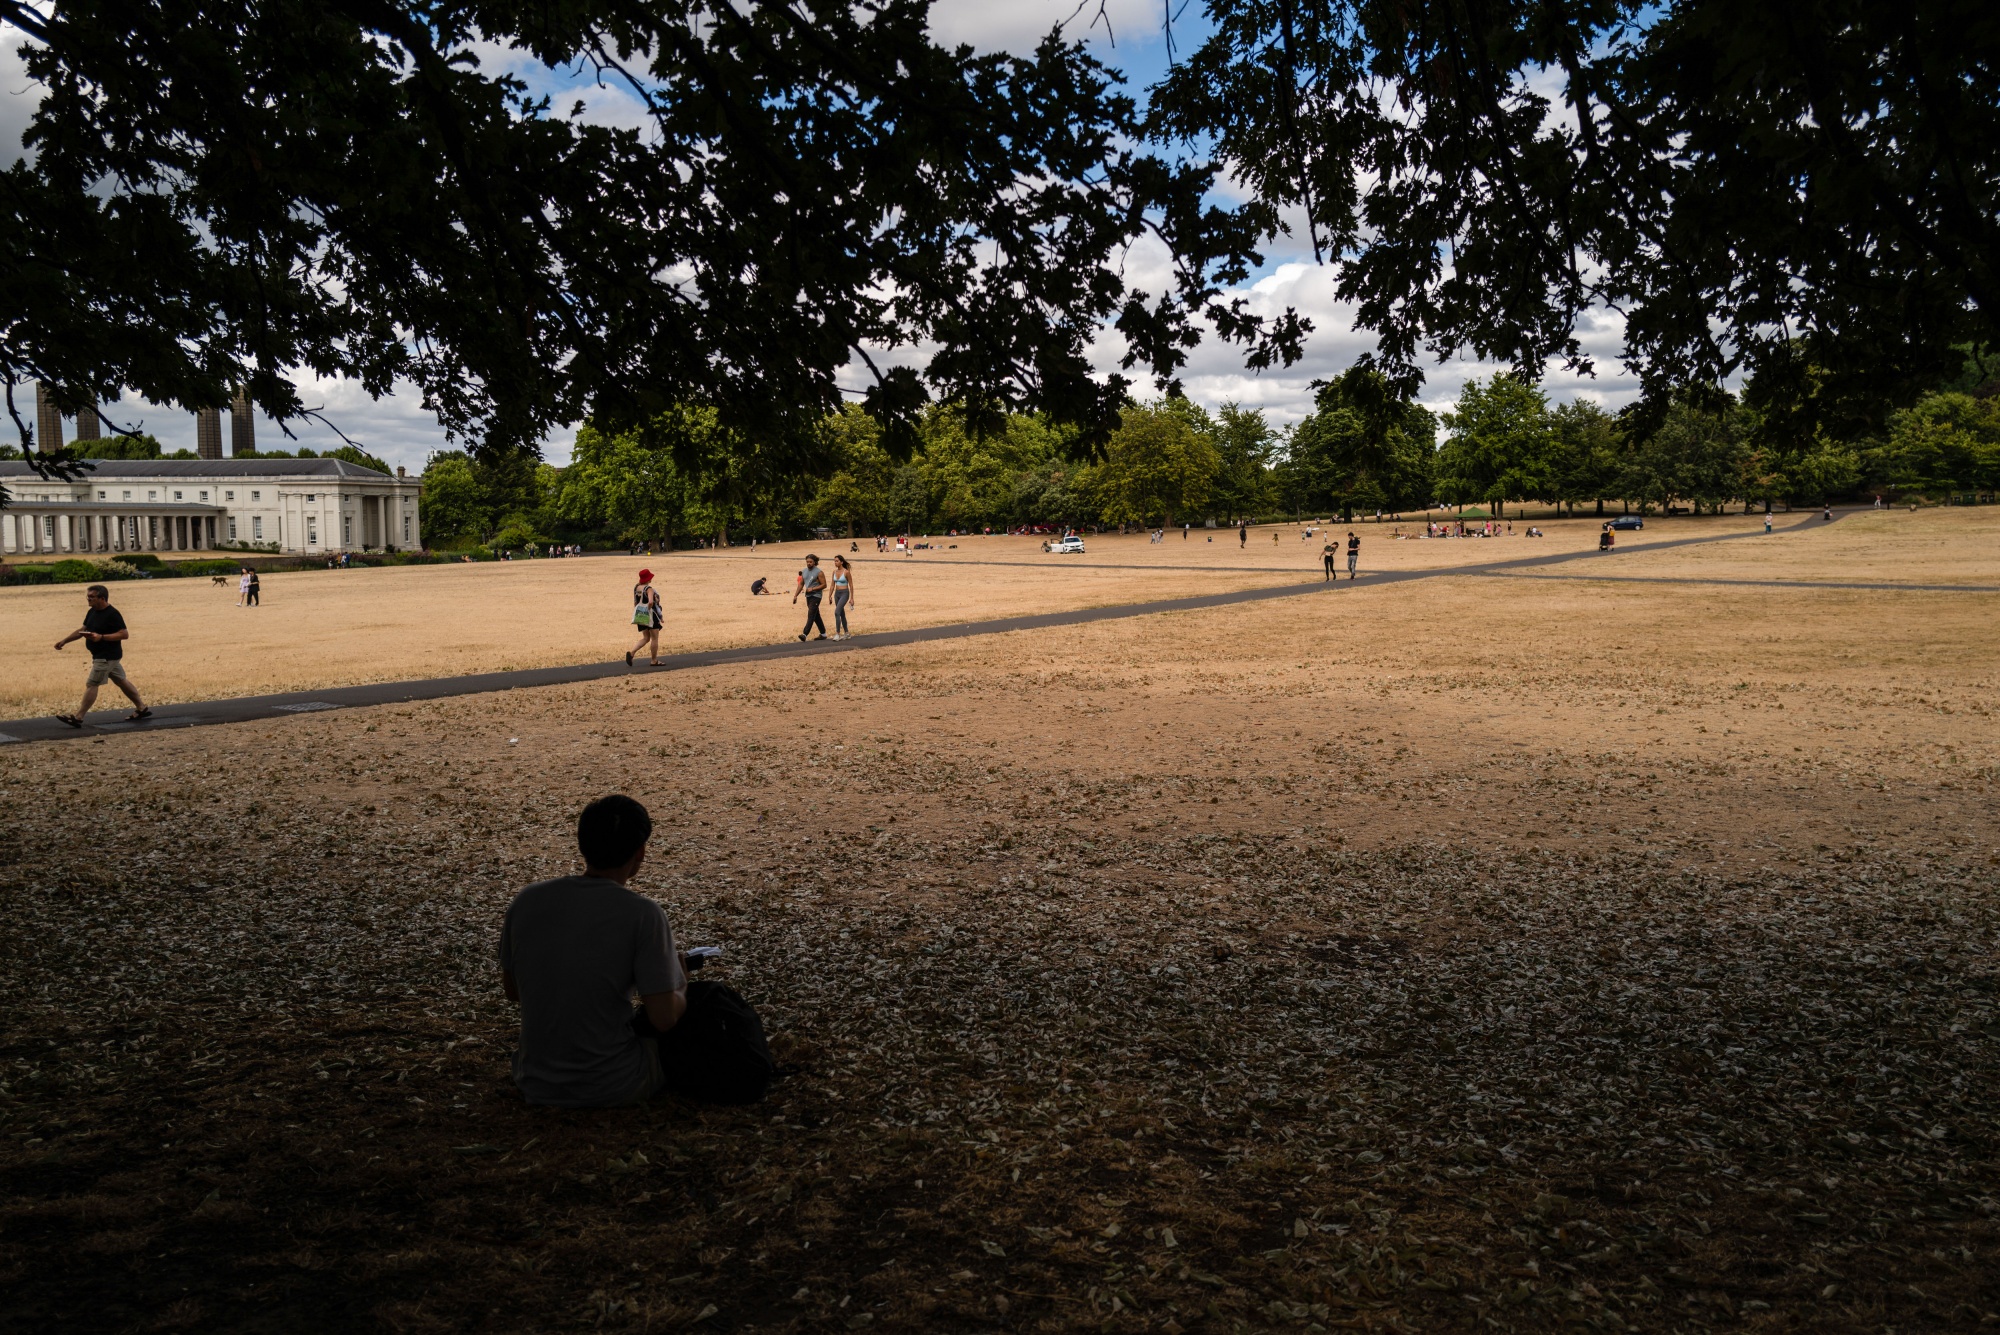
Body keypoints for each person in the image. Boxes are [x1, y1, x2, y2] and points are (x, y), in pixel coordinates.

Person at [498, 795, 773, 1107]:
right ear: (640, 852)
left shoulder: (527, 901)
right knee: (711, 1008)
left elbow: (513, 990)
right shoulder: (642, 914)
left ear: (583, 843)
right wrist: (679, 984)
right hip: (614, 1083)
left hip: (535, 1081)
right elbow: (664, 1019)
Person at [53, 584, 150, 727]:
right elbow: (83, 629)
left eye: (92, 597)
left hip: (106, 656)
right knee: (121, 681)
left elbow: (124, 634)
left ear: (102, 598)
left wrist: (101, 637)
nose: (88, 599)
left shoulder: (112, 614)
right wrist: (64, 640)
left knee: (92, 684)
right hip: (102, 655)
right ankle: (142, 707)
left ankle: (78, 717)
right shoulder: (92, 611)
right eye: (88, 596)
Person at [627, 568, 663, 667]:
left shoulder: (636, 588)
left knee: (646, 638)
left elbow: (635, 602)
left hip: (640, 615)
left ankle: (632, 653)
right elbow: (651, 602)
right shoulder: (649, 589)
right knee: (654, 638)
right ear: (648, 578)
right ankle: (654, 660)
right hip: (650, 615)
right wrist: (648, 609)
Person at [794, 553, 828, 641]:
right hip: (808, 596)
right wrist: (795, 595)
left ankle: (805, 634)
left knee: (811, 614)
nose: (809, 563)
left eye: (811, 562)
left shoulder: (819, 572)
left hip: (816, 596)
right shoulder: (804, 571)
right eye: (807, 562)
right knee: (816, 615)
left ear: (814, 562)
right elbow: (801, 584)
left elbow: (824, 585)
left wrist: (813, 588)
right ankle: (823, 634)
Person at [830, 554, 856, 640]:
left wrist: (852, 598)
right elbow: (832, 585)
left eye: (837, 561)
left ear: (841, 562)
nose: (835, 562)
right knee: (841, 613)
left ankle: (837, 633)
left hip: (844, 593)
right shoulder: (834, 572)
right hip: (837, 594)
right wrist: (829, 595)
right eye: (834, 561)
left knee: (837, 612)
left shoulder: (846, 572)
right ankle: (847, 633)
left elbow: (851, 585)